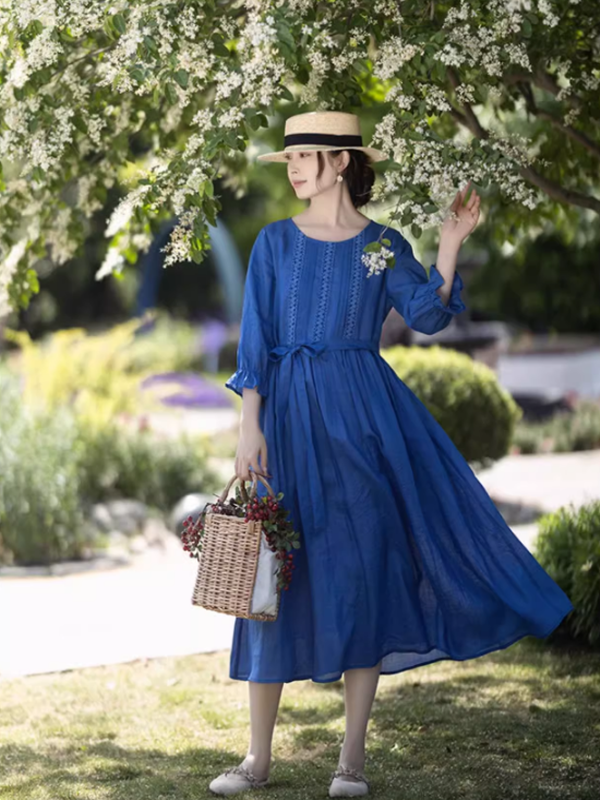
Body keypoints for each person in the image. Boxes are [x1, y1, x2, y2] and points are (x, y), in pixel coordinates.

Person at [209, 111, 574, 797]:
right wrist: (248, 425)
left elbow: (430, 315)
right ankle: (257, 761)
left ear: (342, 163)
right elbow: (254, 342)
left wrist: (449, 245)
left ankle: (351, 760)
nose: (292, 168)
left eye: (307, 156)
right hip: (287, 420)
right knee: (271, 575)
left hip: (365, 420)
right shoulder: (274, 245)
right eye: (289, 157)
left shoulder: (380, 246)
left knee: (364, 571)